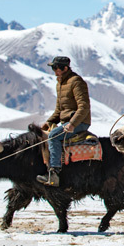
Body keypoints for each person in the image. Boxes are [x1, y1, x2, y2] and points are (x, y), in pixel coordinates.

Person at [36, 56, 91, 187]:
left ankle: (54, 173)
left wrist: (72, 124)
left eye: (56, 68)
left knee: (53, 136)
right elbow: (59, 110)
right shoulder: (60, 84)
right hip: (66, 122)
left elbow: (84, 107)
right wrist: (48, 122)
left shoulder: (76, 81)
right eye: (53, 68)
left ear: (65, 68)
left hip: (80, 122)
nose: (54, 71)